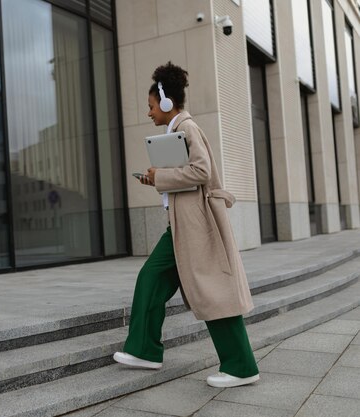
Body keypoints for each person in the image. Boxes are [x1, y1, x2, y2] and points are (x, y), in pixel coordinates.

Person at [113, 62, 260, 388]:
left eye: (151, 106)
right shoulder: (176, 131)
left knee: (213, 293)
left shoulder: (188, 128)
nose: (149, 112)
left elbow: (201, 172)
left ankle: (241, 366)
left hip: (196, 228)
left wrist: (160, 176)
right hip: (182, 227)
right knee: (152, 278)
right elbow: (188, 176)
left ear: (167, 103)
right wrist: (156, 179)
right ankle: (145, 350)